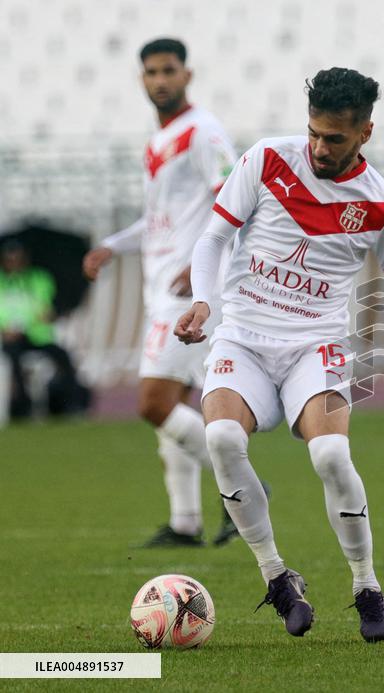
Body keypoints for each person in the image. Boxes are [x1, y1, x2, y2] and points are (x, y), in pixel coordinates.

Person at [173, 67, 384, 641]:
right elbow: (213, 239)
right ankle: (276, 576)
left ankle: (366, 587)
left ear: (365, 134)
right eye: (315, 134)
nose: (320, 149)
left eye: (335, 139)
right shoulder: (268, 160)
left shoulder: (381, 205)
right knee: (222, 439)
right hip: (244, 338)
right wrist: (204, 303)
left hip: (316, 346)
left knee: (330, 455)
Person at [82, 38, 241, 548]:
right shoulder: (159, 140)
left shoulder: (204, 132)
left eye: (168, 70)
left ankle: (242, 486)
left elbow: (232, 200)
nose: (160, 80)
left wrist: (202, 264)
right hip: (161, 288)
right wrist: (112, 244)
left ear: (187, 75)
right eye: (151, 72)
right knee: (171, 410)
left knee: (152, 403)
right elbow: (158, 220)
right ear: (141, 79)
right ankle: (186, 521)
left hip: (186, 294)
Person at [1, 239, 88, 418]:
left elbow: (44, 307)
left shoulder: (39, 277)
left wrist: (41, 317)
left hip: (38, 335)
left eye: (17, 257)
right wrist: (5, 330)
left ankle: (71, 404)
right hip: (10, 338)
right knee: (14, 358)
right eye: (10, 258)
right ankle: (21, 407)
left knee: (62, 356)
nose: (14, 262)